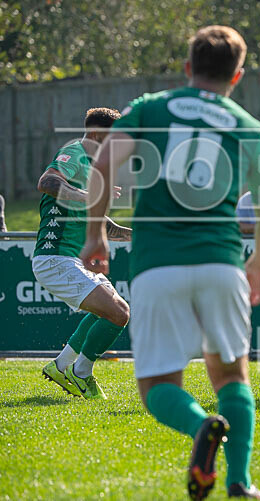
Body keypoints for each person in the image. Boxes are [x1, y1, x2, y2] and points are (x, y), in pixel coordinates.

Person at [81, 26, 260, 499]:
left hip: (158, 265)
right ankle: (240, 482)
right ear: (238, 75)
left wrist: (95, 236)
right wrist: (259, 265)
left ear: (188, 67)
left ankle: (200, 428)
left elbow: (102, 167)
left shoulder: (149, 108)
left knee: (157, 385)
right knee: (232, 377)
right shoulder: (249, 127)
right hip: (221, 264)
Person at [36, 107, 132, 401]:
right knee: (118, 314)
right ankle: (80, 374)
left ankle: (61, 366)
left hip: (71, 259)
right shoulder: (75, 152)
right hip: (55, 257)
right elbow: (47, 182)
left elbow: (103, 224)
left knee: (116, 308)